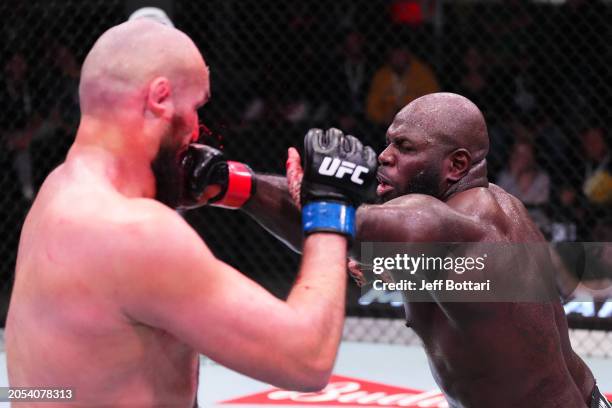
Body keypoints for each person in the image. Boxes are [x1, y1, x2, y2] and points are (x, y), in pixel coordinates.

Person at [5, 19, 377, 406]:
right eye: (197, 106)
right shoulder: (135, 234)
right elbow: (307, 358)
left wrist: (233, 185)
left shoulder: (58, 190)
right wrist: (331, 209)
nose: (198, 130)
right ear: (160, 98)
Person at [191, 93, 609, 407]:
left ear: (456, 165)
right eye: (388, 143)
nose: (384, 158)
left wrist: (226, 183)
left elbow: (345, 225)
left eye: (406, 149)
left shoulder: (446, 222)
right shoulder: (496, 208)